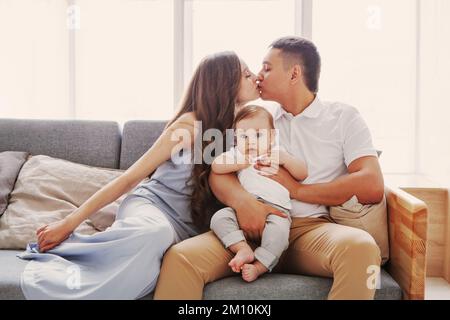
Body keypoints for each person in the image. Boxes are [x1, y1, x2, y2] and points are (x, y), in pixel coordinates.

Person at [16, 51, 262, 299]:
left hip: (192, 226)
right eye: (247, 74)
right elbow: (129, 178)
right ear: (225, 84)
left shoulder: (242, 130)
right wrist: (67, 224)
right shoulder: (187, 127)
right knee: (155, 233)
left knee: (168, 249)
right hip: (154, 209)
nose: (255, 78)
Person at [154, 36, 385, 300]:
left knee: (361, 248)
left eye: (266, 67)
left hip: (310, 230)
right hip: (248, 228)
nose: (258, 76)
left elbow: (371, 185)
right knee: (181, 258)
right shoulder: (252, 119)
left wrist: (297, 190)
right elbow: (218, 172)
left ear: (294, 73)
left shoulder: (343, 117)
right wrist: (244, 203)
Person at [210, 105, 307, 282]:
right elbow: (216, 165)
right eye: (244, 136)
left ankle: (260, 266)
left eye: (258, 135)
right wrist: (239, 164)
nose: (251, 141)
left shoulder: (278, 153)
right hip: (246, 209)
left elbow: (302, 173)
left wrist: (285, 159)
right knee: (219, 218)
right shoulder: (238, 156)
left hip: (277, 210)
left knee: (278, 235)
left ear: (271, 137)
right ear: (235, 139)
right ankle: (242, 249)